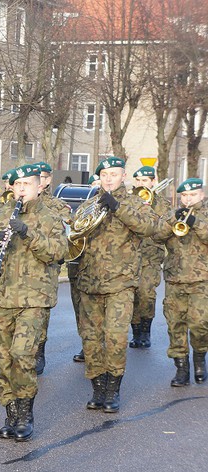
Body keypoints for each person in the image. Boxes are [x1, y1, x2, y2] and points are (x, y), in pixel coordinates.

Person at [0, 165, 67, 441]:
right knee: (3, 360)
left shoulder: (51, 218)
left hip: (34, 299)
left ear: (40, 187)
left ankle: (25, 414)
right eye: (18, 184)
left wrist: (27, 233)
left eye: (27, 184)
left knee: (23, 356)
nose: (22, 188)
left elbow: (59, 253)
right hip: (2, 298)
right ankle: (11, 413)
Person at [74, 157, 158, 413]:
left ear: (123, 176)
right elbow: (74, 234)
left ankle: (113, 390)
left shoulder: (135, 202)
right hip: (89, 281)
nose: (108, 178)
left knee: (116, 338)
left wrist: (117, 207)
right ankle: (98, 388)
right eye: (104, 174)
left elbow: (149, 227)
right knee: (91, 339)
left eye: (113, 173)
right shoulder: (89, 204)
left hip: (121, 283)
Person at [152, 178, 208, 386]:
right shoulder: (173, 214)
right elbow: (155, 235)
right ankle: (181, 369)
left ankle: (200, 357)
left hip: (202, 279)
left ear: (201, 195)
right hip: (175, 278)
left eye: (192, 195)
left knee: (200, 323)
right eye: (184, 195)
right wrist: (172, 222)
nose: (188, 199)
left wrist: (196, 223)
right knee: (175, 324)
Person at [33, 162, 72, 375]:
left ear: (47, 181)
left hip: (46, 267)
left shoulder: (58, 205)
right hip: (20, 268)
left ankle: (39, 350)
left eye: (41, 177)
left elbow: (69, 230)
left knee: (41, 312)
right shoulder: (16, 203)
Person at [128, 166, 167, 349]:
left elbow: (165, 229)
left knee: (146, 293)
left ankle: (145, 331)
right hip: (130, 255)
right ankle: (136, 333)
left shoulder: (163, 204)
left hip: (151, 256)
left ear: (153, 182)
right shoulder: (129, 202)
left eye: (145, 180)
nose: (141, 184)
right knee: (132, 295)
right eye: (139, 180)